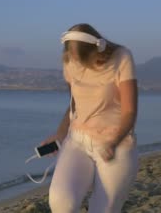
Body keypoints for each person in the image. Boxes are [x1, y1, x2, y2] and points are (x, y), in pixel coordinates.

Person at [45, 23, 138, 213]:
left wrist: (113, 142)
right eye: (72, 57)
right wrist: (60, 135)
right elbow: (74, 106)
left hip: (115, 142)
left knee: (104, 209)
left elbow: (130, 111)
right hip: (78, 140)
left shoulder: (121, 58)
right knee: (61, 201)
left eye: (80, 59)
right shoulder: (69, 61)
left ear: (96, 51)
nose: (75, 62)